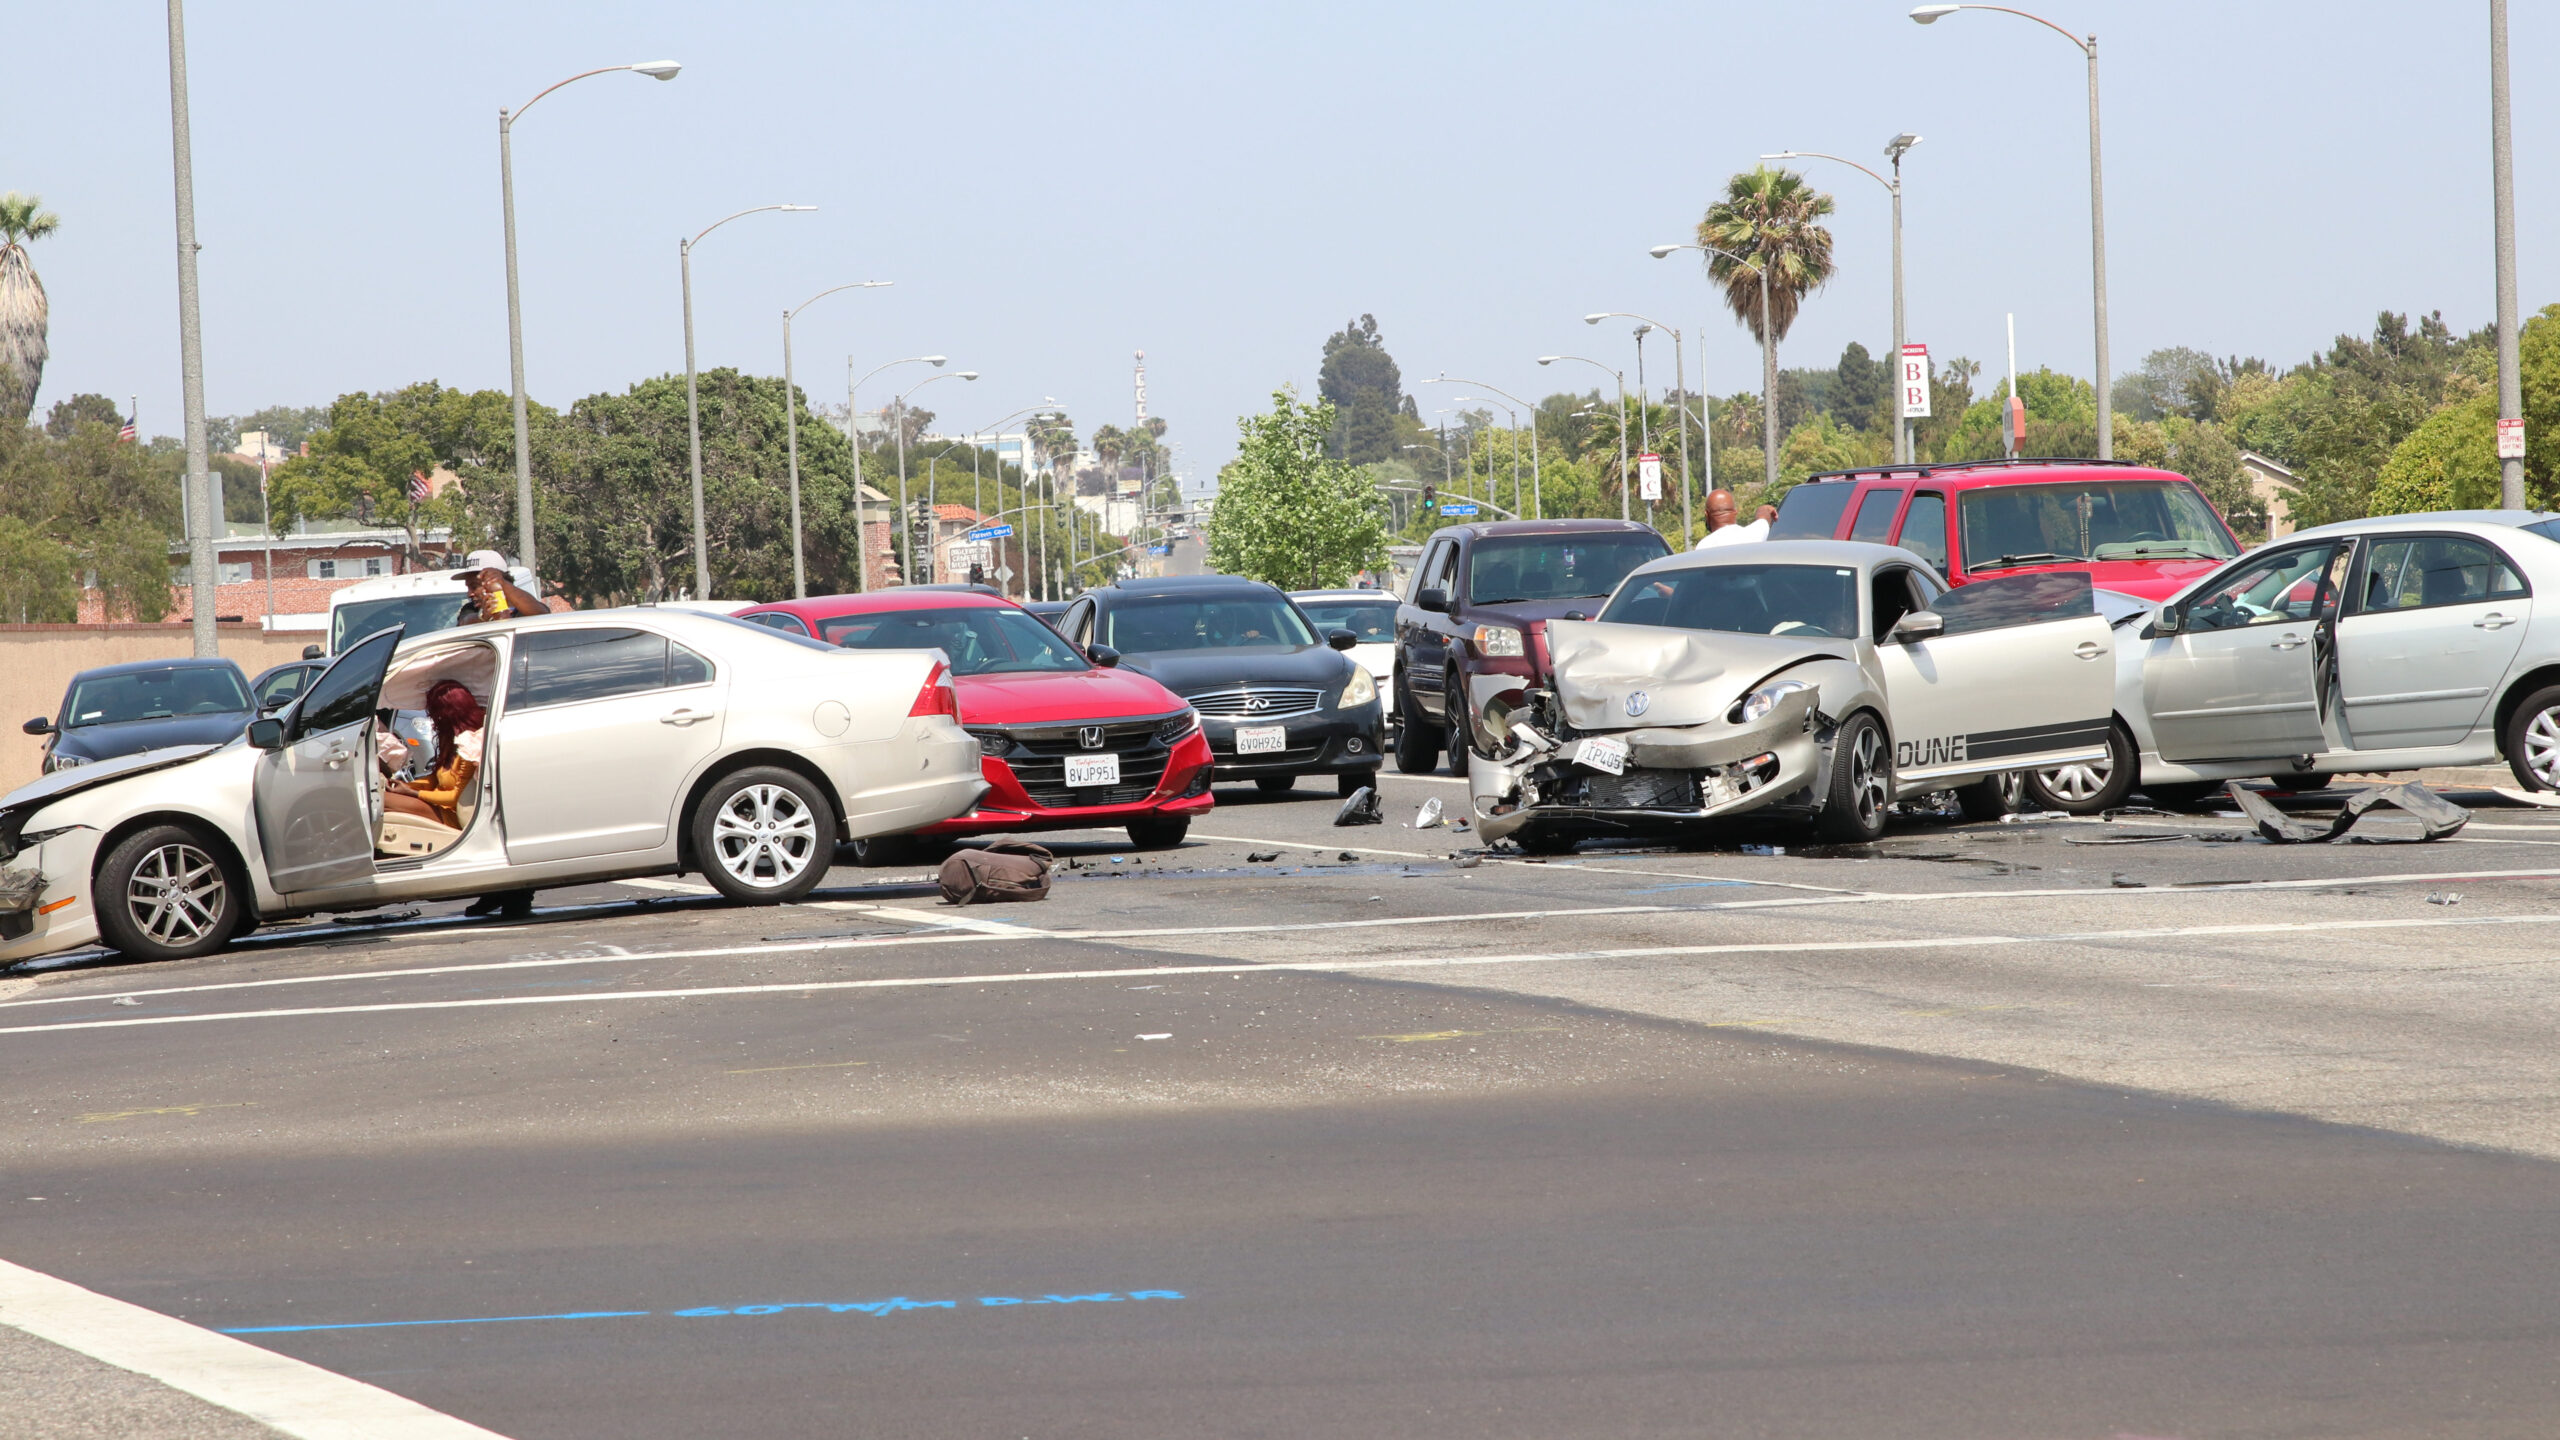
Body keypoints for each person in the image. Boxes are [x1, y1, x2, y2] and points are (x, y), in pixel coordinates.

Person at [410, 679, 533, 919]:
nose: (432, 718)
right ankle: (499, 892)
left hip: (457, 813)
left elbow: (454, 795)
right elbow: (436, 781)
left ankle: (512, 893)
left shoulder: (470, 744)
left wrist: (413, 794)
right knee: (389, 797)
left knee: (390, 803)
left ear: (447, 713)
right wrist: (407, 786)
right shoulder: (450, 742)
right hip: (448, 806)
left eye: (435, 712)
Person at [452, 549, 551, 626]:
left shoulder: (523, 609)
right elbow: (465, 621)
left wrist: (503, 584)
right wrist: (483, 617)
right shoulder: (471, 609)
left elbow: (542, 614)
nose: (469, 594)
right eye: (468, 587)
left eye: (474, 586)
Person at [1694, 489, 1779, 550]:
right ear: (1735, 512)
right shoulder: (1752, 535)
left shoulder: (1703, 546)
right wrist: (1764, 508)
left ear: (1707, 515)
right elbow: (1764, 516)